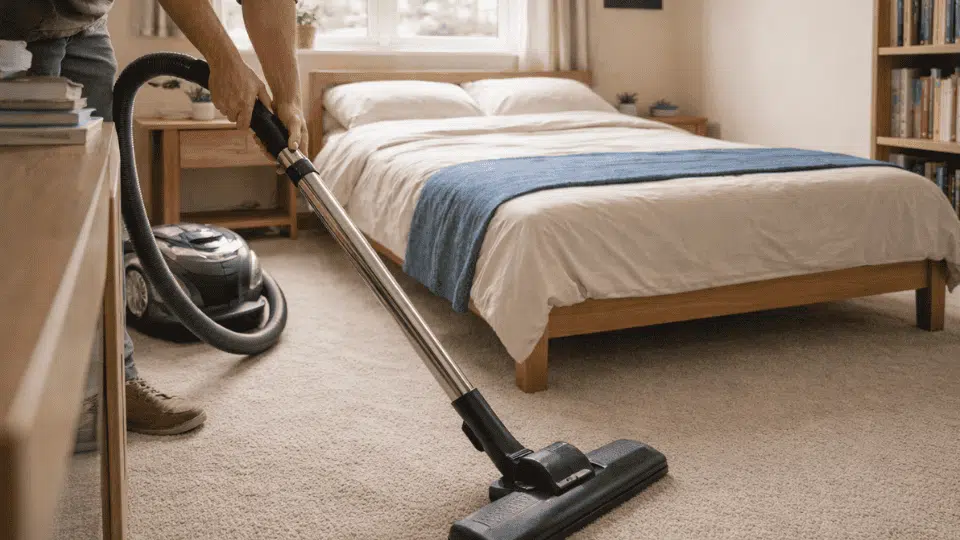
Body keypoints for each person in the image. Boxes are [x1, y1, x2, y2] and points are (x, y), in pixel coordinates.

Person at [0, 0, 308, 437]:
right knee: (28, 214)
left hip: (81, 21)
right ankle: (26, 410)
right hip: (9, 25)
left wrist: (290, 101)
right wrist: (224, 61)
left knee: (104, 215)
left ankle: (112, 384)